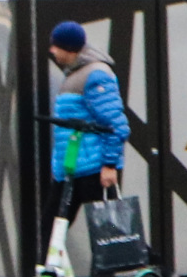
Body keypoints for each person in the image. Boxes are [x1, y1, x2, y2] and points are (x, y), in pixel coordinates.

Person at [43, 20, 129, 259]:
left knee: (114, 233)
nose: (52, 50)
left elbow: (115, 124)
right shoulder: (75, 75)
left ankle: (160, 272)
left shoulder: (95, 75)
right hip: (71, 168)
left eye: (56, 46)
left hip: (93, 170)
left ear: (69, 49)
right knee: (53, 230)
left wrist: (110, 165)